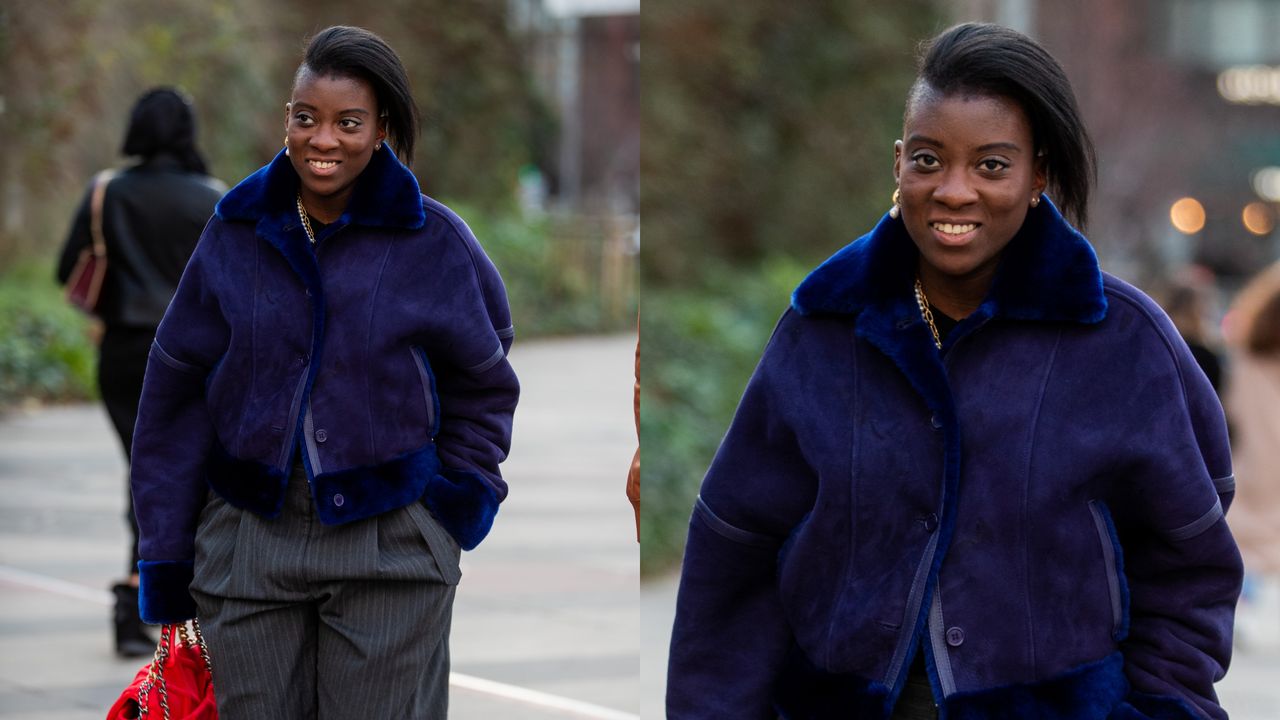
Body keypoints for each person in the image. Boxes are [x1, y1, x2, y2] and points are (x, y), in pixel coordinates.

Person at [666, 23, 1240, 720]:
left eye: (992, 165)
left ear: (1039, 176)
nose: (954, 191)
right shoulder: (821, 332)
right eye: (930, 161)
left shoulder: (1125, 342)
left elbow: (1191, 563)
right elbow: (735, 552)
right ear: (899, 165)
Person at [129, 26, 519, 717]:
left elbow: (484, 378)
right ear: (287, 119)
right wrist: (165, 554)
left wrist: (455, 504)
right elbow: (174, 389)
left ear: (381, 130)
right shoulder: (234, 231)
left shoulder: (435, 240)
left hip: (392, 544)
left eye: (348, 122)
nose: (323, 139)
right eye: (306, 118)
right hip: (249, 542)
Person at [55, 87, 225, 658]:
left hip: (123, 353)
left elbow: (67, 270)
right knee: (179, 470)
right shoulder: (212, 199)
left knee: (143, 465)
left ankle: (135, 606)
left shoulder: (107, 191)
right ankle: (167, 599)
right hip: (191, 356)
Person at [1224, 261, 1280, 650]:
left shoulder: (1246, 354)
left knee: (1246, 530)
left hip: (1249, 460)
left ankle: (1243, 600)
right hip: (1272, 459)